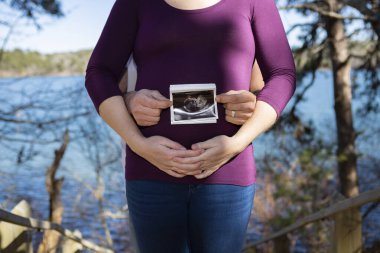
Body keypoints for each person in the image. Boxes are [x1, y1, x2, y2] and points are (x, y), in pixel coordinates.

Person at [84, 0, 296, 252]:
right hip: (151, 169)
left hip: (228, 168)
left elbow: (282, 74)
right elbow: (99, 72)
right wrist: (138, 143)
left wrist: (237, 141)